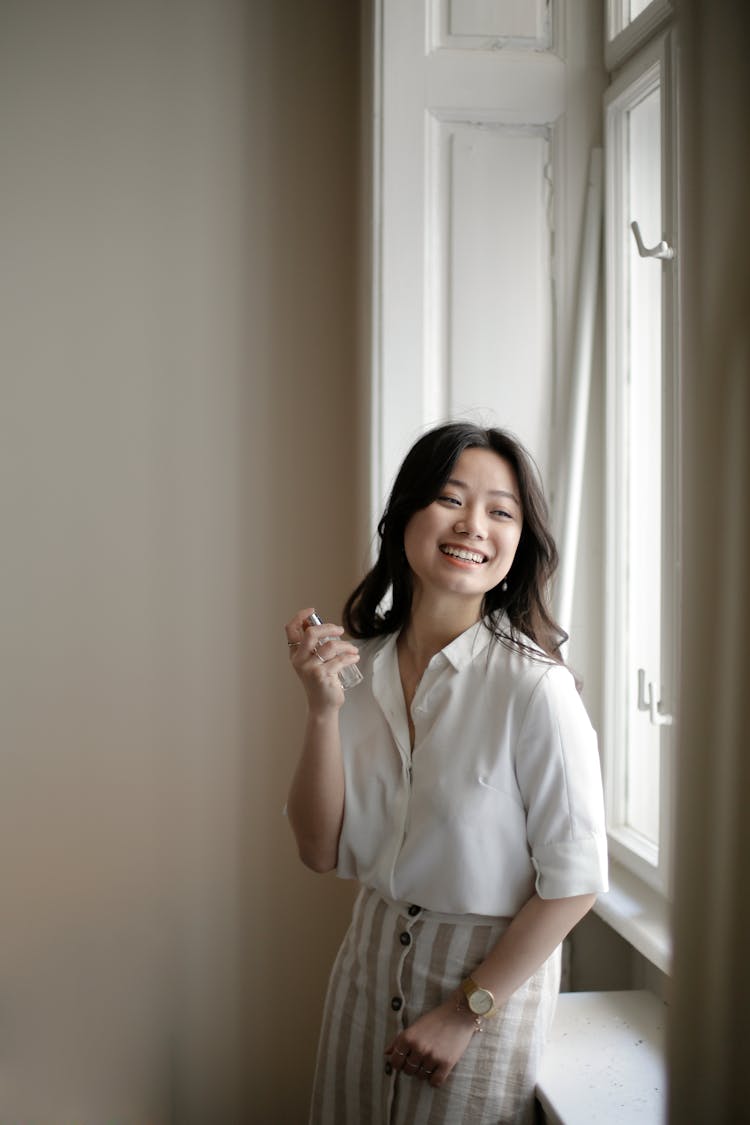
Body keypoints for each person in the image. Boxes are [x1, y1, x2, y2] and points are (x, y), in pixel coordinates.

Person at [284, 421, 608, 1125]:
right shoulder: (357, 667)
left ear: (521, 541)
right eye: (450, 498)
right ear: (406, 514)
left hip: (485, 988)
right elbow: (317, 850)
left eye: (501, 511)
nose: (474, 525)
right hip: (366, 966)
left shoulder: (536, 689)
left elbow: (576, 882)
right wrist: (320, 711)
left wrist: (464, 1012)